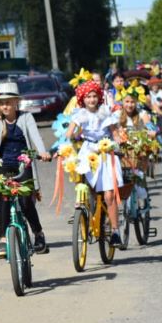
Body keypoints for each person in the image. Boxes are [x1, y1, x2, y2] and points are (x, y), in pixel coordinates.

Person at [0, 81, 52, 254]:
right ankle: (3, 238)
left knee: (25, 201)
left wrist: (43, 152)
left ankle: (38, 233)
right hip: (4, 165)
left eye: (8, 102)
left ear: (17, 102)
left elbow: (36, 137)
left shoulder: (26, 118)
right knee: (3, 199)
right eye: (2, 103)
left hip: (24, 164)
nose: (5, 106)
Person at [65, 80, 124, 246]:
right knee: (87, 189)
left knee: (109, 195)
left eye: (94, 96)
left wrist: (118, 144)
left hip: (105, 152)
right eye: (88, 97)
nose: (91, 100)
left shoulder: (105, 112)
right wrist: (71, 140)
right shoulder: (80, 114)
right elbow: (69, 133)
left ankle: (115, 231)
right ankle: (86, 220)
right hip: (88, 151)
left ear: (99, 97)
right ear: (82, 99)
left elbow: (115, 133)